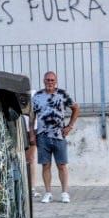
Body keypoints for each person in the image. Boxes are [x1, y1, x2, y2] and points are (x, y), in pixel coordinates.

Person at [30, 71, 78, 203]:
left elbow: (75, 108)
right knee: (46, 165)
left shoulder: (63, 94)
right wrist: (32, 133)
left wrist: (69, 126)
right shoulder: (37, 96)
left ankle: (64, 193)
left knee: (61, 165)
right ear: (43, 81)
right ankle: (48, 192)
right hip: (42, 136)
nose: (49, 82)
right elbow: (32, 116)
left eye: (52, 80)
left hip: (59, 135)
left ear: (55, 81)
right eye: (47, 80)